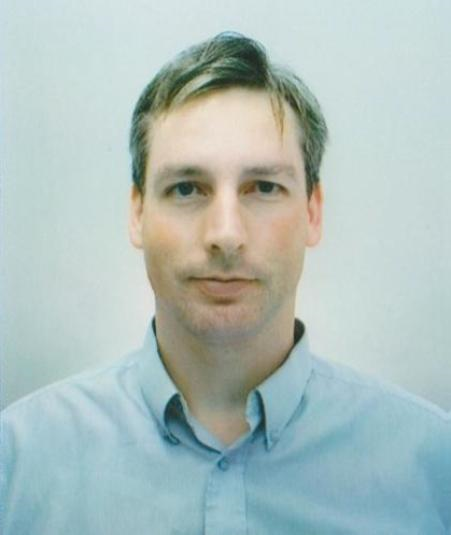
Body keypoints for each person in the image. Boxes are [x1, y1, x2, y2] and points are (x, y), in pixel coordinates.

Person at [1, 32, 450, 535]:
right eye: (186, 188)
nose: (226, 235)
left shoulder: (433, 466)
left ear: (313, 211)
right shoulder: (18, 463)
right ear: (137, 212)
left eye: (264, 187)